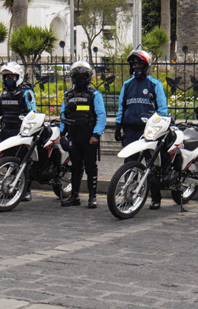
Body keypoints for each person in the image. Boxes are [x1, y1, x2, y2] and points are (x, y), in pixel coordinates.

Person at [115, 49, 168, 209]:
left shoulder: (155, 84)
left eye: (139, 65)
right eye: (134, 65)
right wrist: (118, 126)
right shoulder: (127, 85)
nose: (136, 67)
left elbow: (162, 110)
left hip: (150, 132)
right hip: (131, 130)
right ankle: (128, 197)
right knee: (130, 164)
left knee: (152, 165)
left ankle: (155, 197)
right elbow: (121, 107)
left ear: (146, 66)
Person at [60, 61, 105, 209]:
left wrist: (96, 135)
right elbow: (63, 115)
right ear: (73, 78)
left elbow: (101, 116)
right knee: (75, 167)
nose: (80, 78)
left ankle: (92, 197)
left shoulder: (94, 95)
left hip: (89, 135)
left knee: (90, 167)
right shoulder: (68, 95)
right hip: (74, 135)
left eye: (83, 76)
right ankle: (75, 196)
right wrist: (62, 134)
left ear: (88, 77)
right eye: (77, 76)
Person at [0, 61, 36, 200]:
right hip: (6, 131)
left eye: (12, 76)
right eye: (6, 76)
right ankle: (7, 187)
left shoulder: (26, 92)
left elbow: (32, 112)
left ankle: (26, 190)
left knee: (23, 161)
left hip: (20, 132)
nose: (9, 79)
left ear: (18, 77)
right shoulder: (4, 93)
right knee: (5, 160)